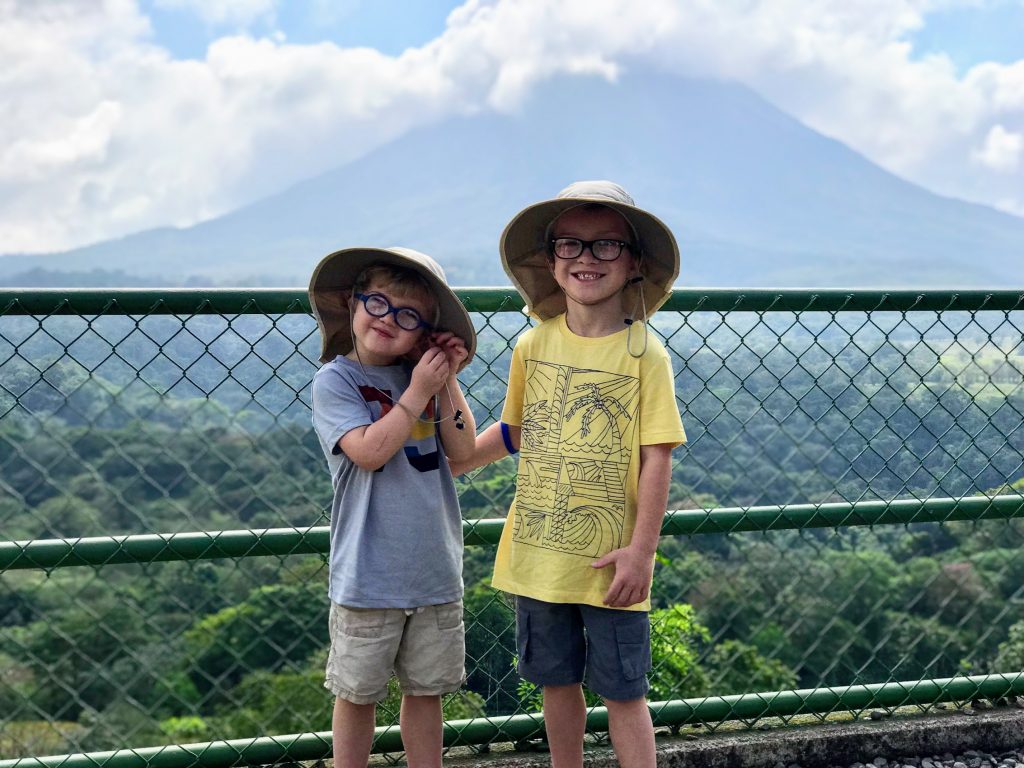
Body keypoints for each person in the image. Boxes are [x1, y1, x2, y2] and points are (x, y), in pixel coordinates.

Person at [454, 181, 686, 768]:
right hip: (538, 556)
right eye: (571, 245)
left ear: (633, 263)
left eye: (605, 246)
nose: (586, 258)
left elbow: (657, 455)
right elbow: (517, 431)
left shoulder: (645, 354)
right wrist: (454, 462)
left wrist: (642, 552)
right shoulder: (532, 345)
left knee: (624, 693)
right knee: (555, 685)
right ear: (551, 263)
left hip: (612, 563)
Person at [308, 246, 477, 768]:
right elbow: (370, 452)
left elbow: (464, 451)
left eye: (407, 316)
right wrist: (418, 390)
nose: (387, 321)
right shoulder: (335, 380)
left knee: (426, 693)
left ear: (424, 330)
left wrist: (446, 377)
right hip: (369, 573)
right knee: (357, 694)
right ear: (350, 303)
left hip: (432, 570)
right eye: (377, 304)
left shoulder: (424, 377)